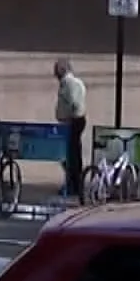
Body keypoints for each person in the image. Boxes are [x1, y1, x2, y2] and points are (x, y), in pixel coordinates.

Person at [54, 58, 89, 200]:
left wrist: (68, 115)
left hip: (73, 121)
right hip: (77, 121)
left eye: (56, 70)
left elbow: (73, 102)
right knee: (74, 153)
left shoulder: (68, 84)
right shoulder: (77, 82)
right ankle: (75, 183)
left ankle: (73, 185)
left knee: (69, 154)